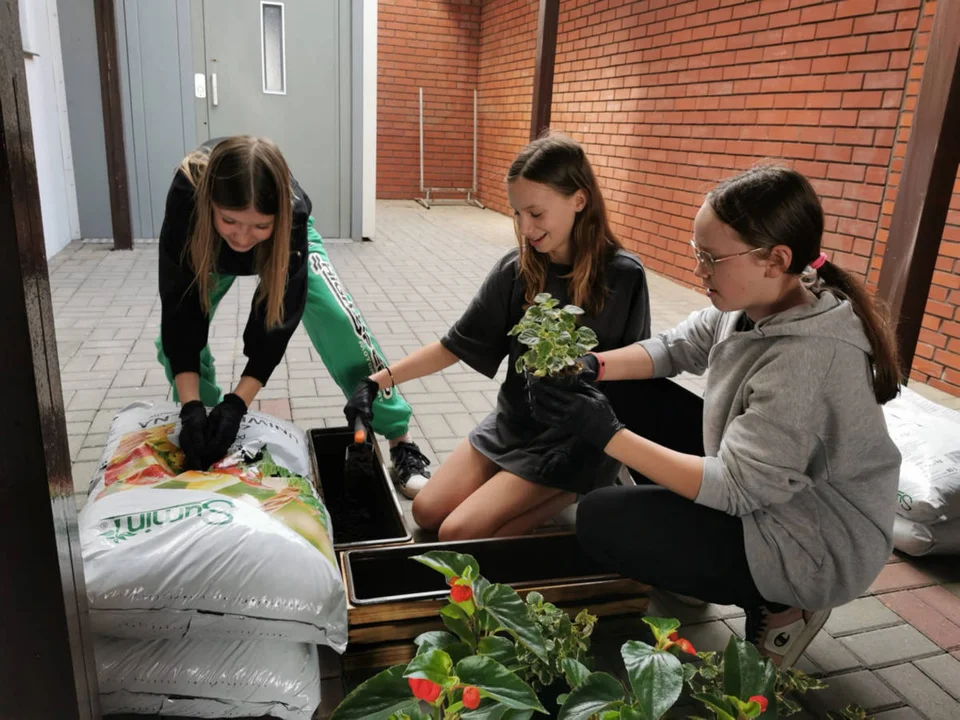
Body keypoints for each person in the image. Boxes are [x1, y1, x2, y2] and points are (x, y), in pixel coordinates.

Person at [529, 165, 903, 669]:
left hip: (811, 541)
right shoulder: (758, 300)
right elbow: (677, 346)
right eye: (696, 252)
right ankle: (691, 567)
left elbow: (735, 489)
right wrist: (591, 366)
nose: (699, 271)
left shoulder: (811, 359)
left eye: (711, 258)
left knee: (601, 520)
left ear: (776, 259)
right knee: (620, 390)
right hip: (768, 484)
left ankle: (784, 605)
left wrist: (606, 434)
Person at [344, 132, 651, 533]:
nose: (525, 227)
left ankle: (575, 487)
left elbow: (640, 375)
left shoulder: (624, 276)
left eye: (536, 214)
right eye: (516, 213)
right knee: (427, 512)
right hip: (514, 423)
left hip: (578, 438)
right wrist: (377, 381)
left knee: (459, 532)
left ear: (579, 199)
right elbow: (454, 345)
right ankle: (518, 492)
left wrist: (615, 449)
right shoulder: (519, 269)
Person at [156, 135, 431, 489]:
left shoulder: (293, 212)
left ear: (279, 216)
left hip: (284, 245)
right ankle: (203, 426)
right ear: (210, 204)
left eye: (259, 225)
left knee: (340, 321)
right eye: (231, 220)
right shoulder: (186, 196)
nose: (242, 238)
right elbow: (180, 309)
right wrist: (192, 407)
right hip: (207, 246)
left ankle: (400, 438)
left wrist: (239, 403)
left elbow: (277, 323)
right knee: (173, 342)